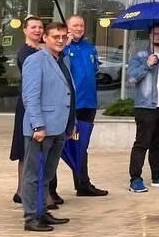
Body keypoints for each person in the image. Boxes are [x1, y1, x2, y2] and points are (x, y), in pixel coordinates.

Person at [19, 22, 75, 233]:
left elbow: (69, 94)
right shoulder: (35, 61)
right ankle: (31, 217)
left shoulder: (62, 61)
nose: (60, 40)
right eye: (55, 37)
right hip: (41, 130)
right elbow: (30, 97)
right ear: (45, 38)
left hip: (59, 127)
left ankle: (42, 212)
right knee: (33, 175)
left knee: (47, 175)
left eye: (63, 36)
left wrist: (71, 123)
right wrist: (38, 126)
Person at [126, 23, 159, 193]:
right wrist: (147, 65)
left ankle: (158, 176)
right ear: (149, 35)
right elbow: (131, 79)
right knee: (142, 144)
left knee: (158, 144)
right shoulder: (141, 56)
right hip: (146, 107)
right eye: (156, 33)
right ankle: (135, 179)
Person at [62, 15, 107, 197]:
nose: (79, 28)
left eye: (81, 25)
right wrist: (65, 45)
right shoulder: (63, 48)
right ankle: (50, 189)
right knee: (61, 146)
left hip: (88, 103)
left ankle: (82, 184)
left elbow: (95, 68)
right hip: (70, 105)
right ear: (67, 27)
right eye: (74, 25)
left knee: (81, 146)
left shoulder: (90, 47)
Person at [11, 17, 49, 206]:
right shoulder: (26, 53)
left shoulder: (40, 51)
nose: (37, 30)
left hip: (40, 104)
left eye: (40, 27)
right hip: (28, 105)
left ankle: (22, 191)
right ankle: (24, 191)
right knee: (25, 150)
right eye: (33, 27)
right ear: (25, 30)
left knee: (32, 151)